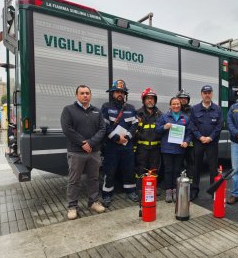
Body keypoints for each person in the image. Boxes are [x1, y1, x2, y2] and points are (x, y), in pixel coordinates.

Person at [61, 85, 106, 220]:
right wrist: (82, 143)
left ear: (90, 95)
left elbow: (102, 129)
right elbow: (67, 129)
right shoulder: (68, 110)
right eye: (82, 93)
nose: (85, 95)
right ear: (77, 95)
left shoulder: (97, 111)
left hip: (94, 152)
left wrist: (91, 143)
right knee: (74, 180)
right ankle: (72, 207)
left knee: (94, 178)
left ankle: (93, 202)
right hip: (76, 152)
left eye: (87, 93)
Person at [101, 79, 139, 207]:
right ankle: (106, 195)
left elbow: (134, 125)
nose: (120, 94)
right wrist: (116, 137)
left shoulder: (131, 108)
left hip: (127, 146)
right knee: (109, 171)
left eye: (122, 92)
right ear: (112, 93)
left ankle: (131, 191)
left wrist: (127, 137)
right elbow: (104, 126)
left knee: (129, 169)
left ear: (125, 94)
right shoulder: (106, 107)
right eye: (117, 91)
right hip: (111, 146)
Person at [155, 97, 191, 203]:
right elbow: (157, 129)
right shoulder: (164, 117)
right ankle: (168, 191)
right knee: (168, 170)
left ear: (180, 105)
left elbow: (189, 133)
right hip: (167, 149)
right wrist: (164, 127)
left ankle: (175, 190)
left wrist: (186, 142)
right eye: (174, 104)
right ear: (170, 106)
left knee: (177, 170)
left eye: (178, 104)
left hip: (179, 149)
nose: (176, 106)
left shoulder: (185, 118)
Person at [189, 85, 222, 201]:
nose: (207, 95)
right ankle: (194, 190)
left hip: (211, 143)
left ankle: (213, 191)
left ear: (212, 94)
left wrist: (210, 138)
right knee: (196, 167)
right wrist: (200, 137)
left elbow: (219, 126)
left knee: (213, 168)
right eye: (205, 93)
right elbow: (192, 125)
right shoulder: (195, 109)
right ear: (201, 94)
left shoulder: (217, 109)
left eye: (209, 92)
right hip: (198, 142)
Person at [135, 88, 162, 193]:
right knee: (141, 169)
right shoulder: (138, 114)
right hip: (142, 149)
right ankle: (140, 189)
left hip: (155, 148)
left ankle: (153, 188)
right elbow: (134, 130)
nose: (150, 101)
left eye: (152, 98)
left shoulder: (160, 114)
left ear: (155, 100)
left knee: (154, 169)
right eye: (148, 98)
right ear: (144, 100)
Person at [176, 88, 195, 190]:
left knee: (191, 162)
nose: (183, 100)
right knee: (179, 163)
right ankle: (180, 182)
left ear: (188, 100)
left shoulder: (193, 111)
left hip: (190, 142)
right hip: (178, 142)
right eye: (181, 98)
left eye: (185, 98)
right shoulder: (174, 110)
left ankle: (190, 183)